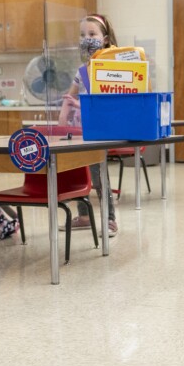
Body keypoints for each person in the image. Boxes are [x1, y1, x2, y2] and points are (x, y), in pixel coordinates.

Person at [57, 13, 119, 237]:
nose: (87, 38)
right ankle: (84, 215)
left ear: (104, 39)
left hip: (98, 130)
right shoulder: (82, 70)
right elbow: (69, 96)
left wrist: (80, 105)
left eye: (92, 34)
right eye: (83, 35)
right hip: (79, 131)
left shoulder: (111, 68)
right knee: (78, 172)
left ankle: (110, 220)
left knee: (99, 175)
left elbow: (109, 103)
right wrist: (63, 119)